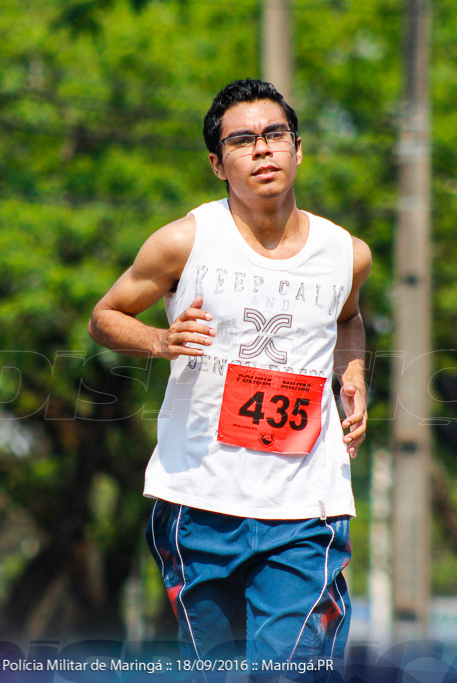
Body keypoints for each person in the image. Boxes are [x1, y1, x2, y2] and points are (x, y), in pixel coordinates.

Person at [88, 79, 371, 665]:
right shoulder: (184, 242)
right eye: (242, 140)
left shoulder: (347, 253)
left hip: (304, 509)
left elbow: (349, 318)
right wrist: (162, 340)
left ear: (299, 148)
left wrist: (355, 374)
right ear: (218, 164)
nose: (262, 149)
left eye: (275, 135)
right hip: (198, 500)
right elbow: (105, 317)